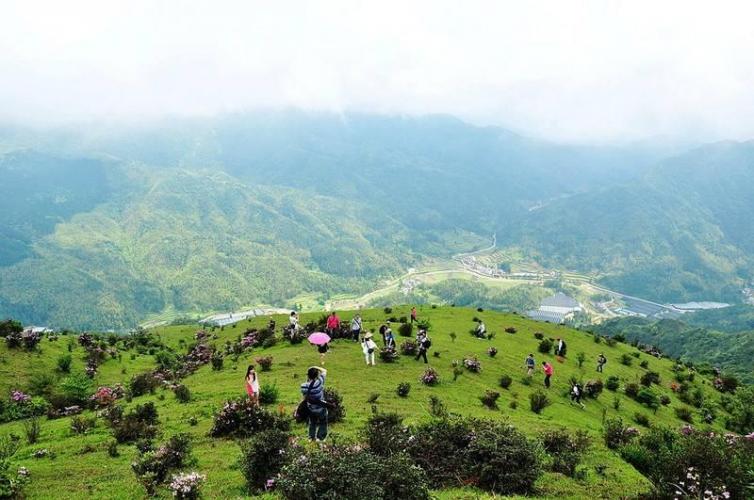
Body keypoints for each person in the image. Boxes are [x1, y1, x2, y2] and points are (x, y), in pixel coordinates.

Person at [300, 366, 328, 441]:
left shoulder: (303, 386)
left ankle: (311, 438)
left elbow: (304, 396)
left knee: (312, 423)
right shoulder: (319, 382)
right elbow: (324, 370)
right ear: (316, 375)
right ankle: (321, 438)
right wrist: (315, 367)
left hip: (311, 408)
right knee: (323, 422)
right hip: (321, 407)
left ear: (308, 375)